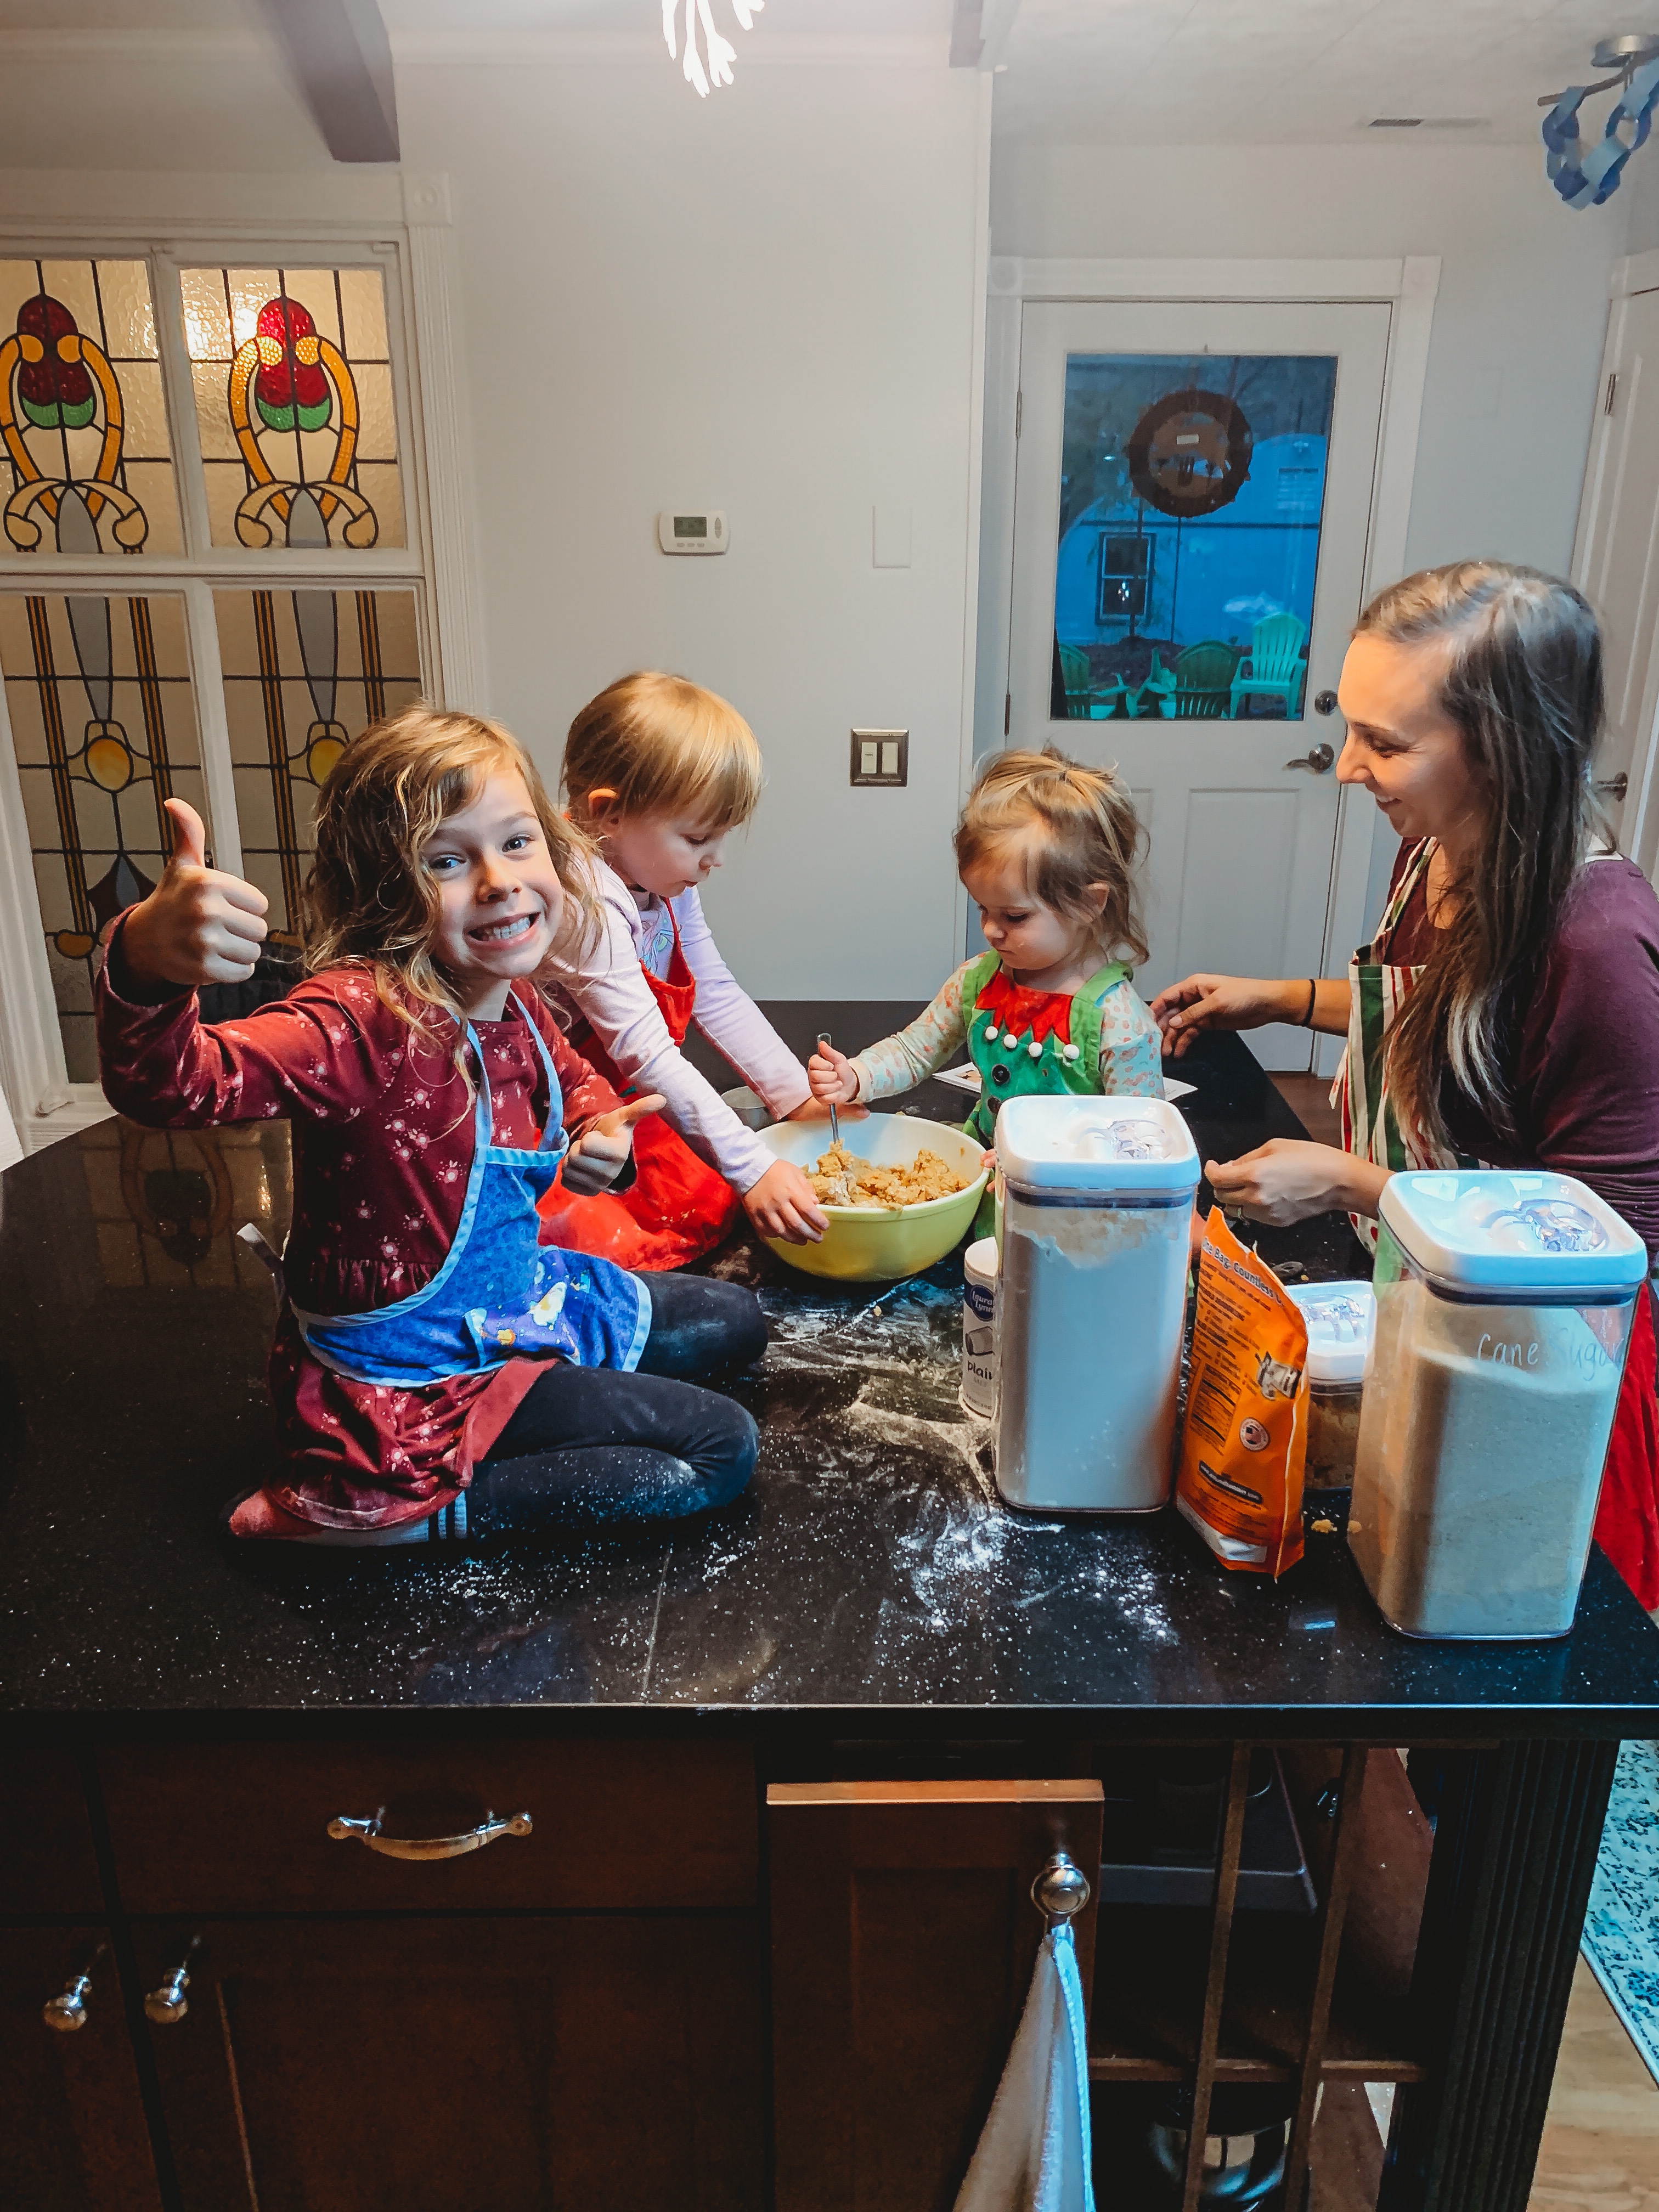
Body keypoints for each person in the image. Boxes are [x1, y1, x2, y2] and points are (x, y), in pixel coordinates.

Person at [95, 705, 767, 1550]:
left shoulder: (514, 995)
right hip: (418, 1369)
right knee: (720, 1450)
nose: (499, 881)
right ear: (385, 891)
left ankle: (543, 1384)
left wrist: (603, 1131)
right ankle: (390, 1516)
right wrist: (144, 962)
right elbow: (175, 1086)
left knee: (734, 1324)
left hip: (508, 1300)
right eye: (448, 860)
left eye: (517, 843)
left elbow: (578, 1077)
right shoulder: (353, 1022)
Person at [1152, 561, 1659, 1609]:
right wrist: (1285, 997)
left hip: (1533, 1379)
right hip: (1414, 1299)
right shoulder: (1431, 845)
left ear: (1504, 751)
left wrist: (1351, 1184)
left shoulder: (1600, 946)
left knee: (1481, 1668)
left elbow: (1605, 1247)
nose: (1345, 768)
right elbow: (1448, 1010)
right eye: (1348, 728)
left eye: (1383, 744)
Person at [537, 671, 830, 1269]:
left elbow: (715, 991)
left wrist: (796, 1098)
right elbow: (646, 1053)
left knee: (705, 1198)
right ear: (608, 814)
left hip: (623, 1097)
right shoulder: (578, 900)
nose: (717, 859)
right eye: (699, 837)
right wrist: (754, 1169)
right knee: (589, 1243)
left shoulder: (656, 874)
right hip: (551, 1114)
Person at [808, 749, 1164, 1218]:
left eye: (1014, 916)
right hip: (980, 1184)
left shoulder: (1119, 1021)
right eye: (983, 909)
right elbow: (917, 1049)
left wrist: (1045, 1160)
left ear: (1088, 903)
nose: (992, 930)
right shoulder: (980, 980)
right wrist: (858, 1076)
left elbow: (1140, 1144)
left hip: (1067, 1205)